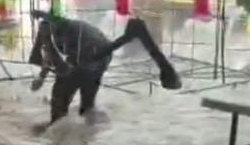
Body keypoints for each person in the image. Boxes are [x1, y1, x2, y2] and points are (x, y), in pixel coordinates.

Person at [29, 11, 183, 125]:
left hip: (93, 55)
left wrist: (42, 14)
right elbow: (50, 56)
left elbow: (56, 29)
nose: (42, 36)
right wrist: (42, 77)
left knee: (60, 105)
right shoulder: (59, 35)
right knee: (86, 108)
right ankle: (91, 135)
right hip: (99, 58)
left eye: (43, 33)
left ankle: (59, 136)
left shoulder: (65, 26)